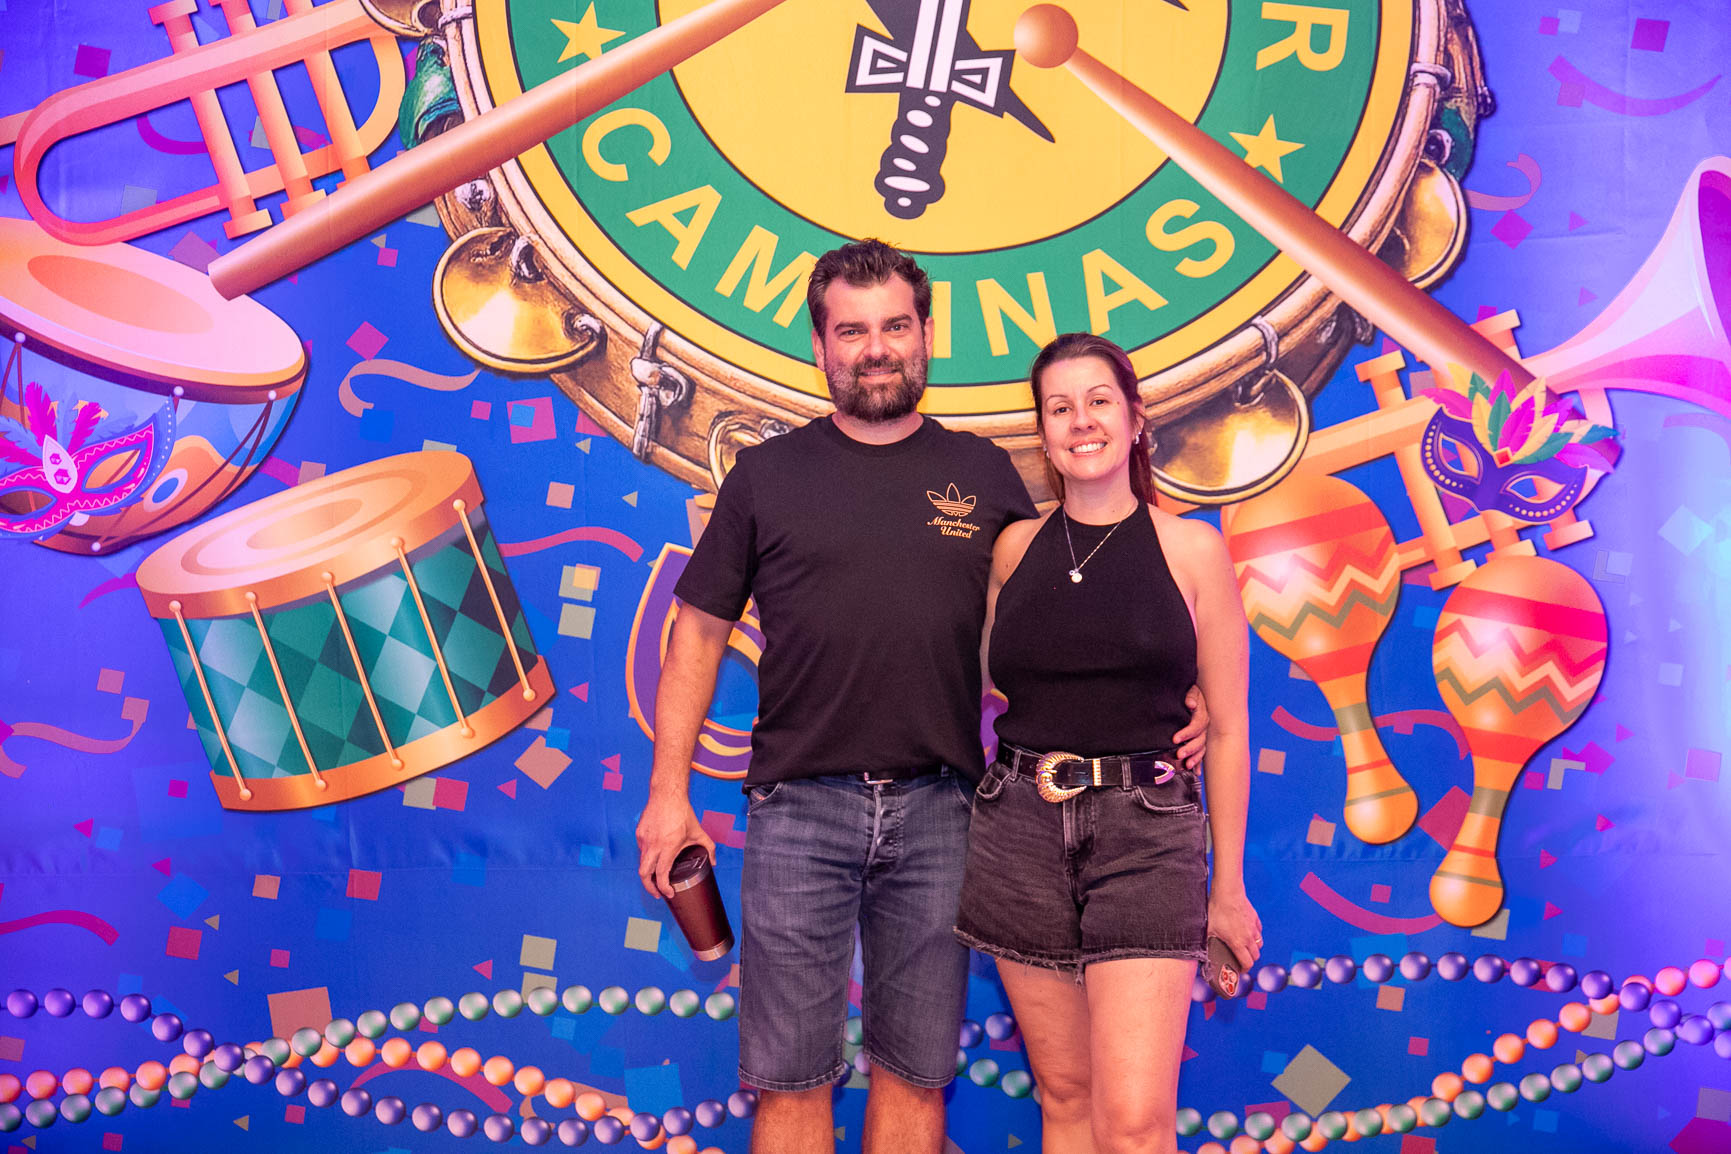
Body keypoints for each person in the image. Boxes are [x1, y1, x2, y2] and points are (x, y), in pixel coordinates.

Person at [634, 241, 1205, 1154]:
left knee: (917, 1076)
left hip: (947, 813)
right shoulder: (765, 476)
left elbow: (1071, 607)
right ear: (819, 346)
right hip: (797, 808)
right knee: (788, 1081)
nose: (875, 348)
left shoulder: (984, 475)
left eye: (894, 326)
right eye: (851, 331)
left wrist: (1180, 694)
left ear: (926, 336)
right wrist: (667, 796)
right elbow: (697, 634)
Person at [953, 332, 1262, 1154]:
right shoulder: (1013, 549)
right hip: (1017, 832)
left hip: (1146, 837)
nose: (1080, 421)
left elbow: (1229, 729)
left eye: (1098, 400)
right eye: (1059, 408)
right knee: (1065, 1097)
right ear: (1042, 432)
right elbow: (974, 681)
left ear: (1134, 417)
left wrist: (1227, 889)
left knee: (1132, 1125)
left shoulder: (1192, 549)